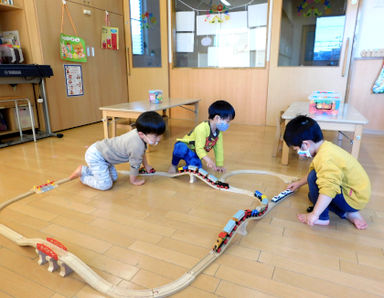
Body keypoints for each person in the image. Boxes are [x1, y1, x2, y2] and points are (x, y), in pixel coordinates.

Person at [283, 115, 371, 230]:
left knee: (315, 180)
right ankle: (347, 213)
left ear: (306, 144)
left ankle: (322, 218)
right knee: (312, 195)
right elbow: (314, 171)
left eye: (296, 149)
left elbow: (328, 188)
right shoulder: (325, 148)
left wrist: (315, 214)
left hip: (354, 197)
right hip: (356, 193)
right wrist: (299, 183)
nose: (298, 152)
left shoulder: (325, 159)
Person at [70, 111, 165, 190]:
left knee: (114, 178)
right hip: (97, 156)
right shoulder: (136, 146)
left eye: (160, 135)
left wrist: (146, 165)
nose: (159, 139)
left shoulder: (139, 134)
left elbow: (142, 153)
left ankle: (85, 170)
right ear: (141, 134)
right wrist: (133, 180)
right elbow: (135, 165)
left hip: (104, 155)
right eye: (155, 136)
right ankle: (83, 177)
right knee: (105, 185)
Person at [168, 100, 235, 174]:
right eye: (227, 121)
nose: (228, 124)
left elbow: (219, 149)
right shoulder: (202, 128)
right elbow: (199, 148)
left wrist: (219, 165)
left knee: (197, 166)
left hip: (195, 152)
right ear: (217, 118)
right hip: (186, 146)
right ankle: (173, 165)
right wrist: (208, 160)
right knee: (180, 148)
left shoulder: (218, 132)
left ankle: (187, 166)